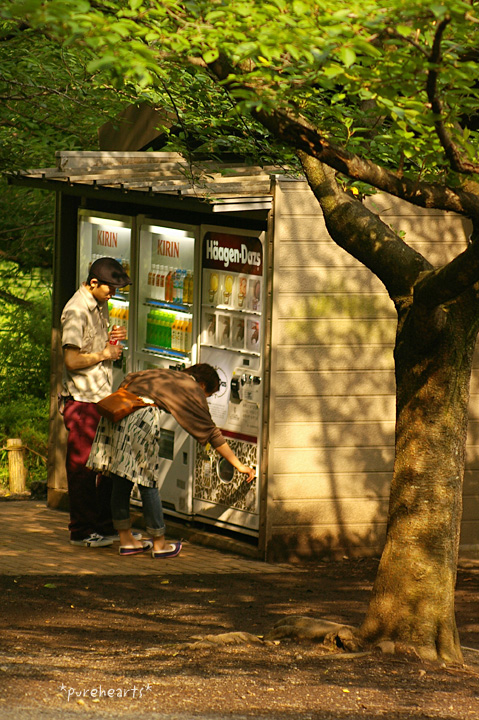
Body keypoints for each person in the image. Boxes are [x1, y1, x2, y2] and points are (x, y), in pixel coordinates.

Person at [87, 364, 256, 558]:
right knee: (147, 483)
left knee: (121, 478)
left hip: (117, 412)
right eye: (208, 395)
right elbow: (211, 432)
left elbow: (129, 378)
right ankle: (159, 543)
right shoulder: (192, 388)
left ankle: (126, 540)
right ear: (202, 384)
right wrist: (239, 465)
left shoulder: (164, 374)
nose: (205, 399)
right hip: (140, 419)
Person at [60, 256, 134, 548]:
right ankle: (81, 531)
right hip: (82, 400)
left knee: (106, 465)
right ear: (93, 282)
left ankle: (104, 527)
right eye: (110, 289)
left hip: (101, 395)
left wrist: (112, 339)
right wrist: (105, 354)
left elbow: (96, 345)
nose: (113, 294)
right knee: (82, 469)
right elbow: (71, 360)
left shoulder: (100, 304)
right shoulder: (76, 311)